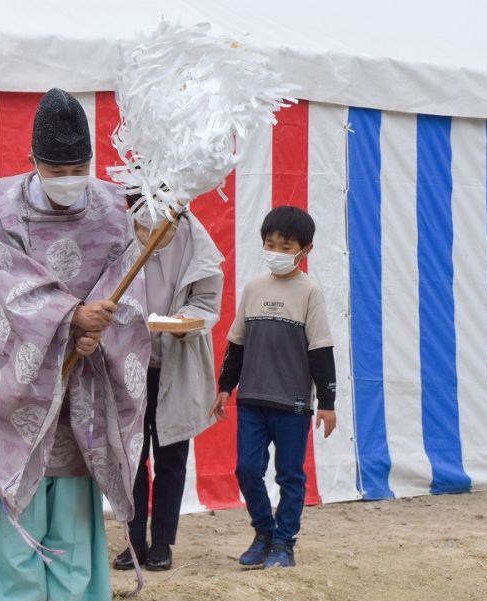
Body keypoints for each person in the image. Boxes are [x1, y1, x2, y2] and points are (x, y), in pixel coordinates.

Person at [0, 88, 150, 601]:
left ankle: (67, 592)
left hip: (87, 360)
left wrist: (101, 322)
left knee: (73, 475)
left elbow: (126, 277)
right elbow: (1, 279)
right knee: (18, 468)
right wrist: (68, 316)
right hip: (18, 360)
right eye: (57, 168)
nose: (69, 177)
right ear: (33, 162)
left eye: (79, 167)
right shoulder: (3, 208)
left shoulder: (110, 208)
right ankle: (17, 591)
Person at [211, 206, 337, 569]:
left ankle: (284, 543)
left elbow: (321, 348)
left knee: (289, 474)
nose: (277, 252)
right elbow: (237, 343)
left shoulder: (310, 292)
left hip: (293, 402)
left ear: (305, 250)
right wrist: (224, 386)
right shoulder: (253, 288)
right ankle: (264, 531)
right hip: (251, 397)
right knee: (247, 469)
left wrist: (327, 401)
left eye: (286, 246)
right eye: (271, 244)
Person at [113, 200, 223, 572]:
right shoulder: (120, 231)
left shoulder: (194, 237)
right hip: (129, 362)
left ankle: (162, 542)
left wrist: (186, 318)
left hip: (175, 360)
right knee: (130, 456)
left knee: (171, 457)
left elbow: (207, 298)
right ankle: (132, 541)